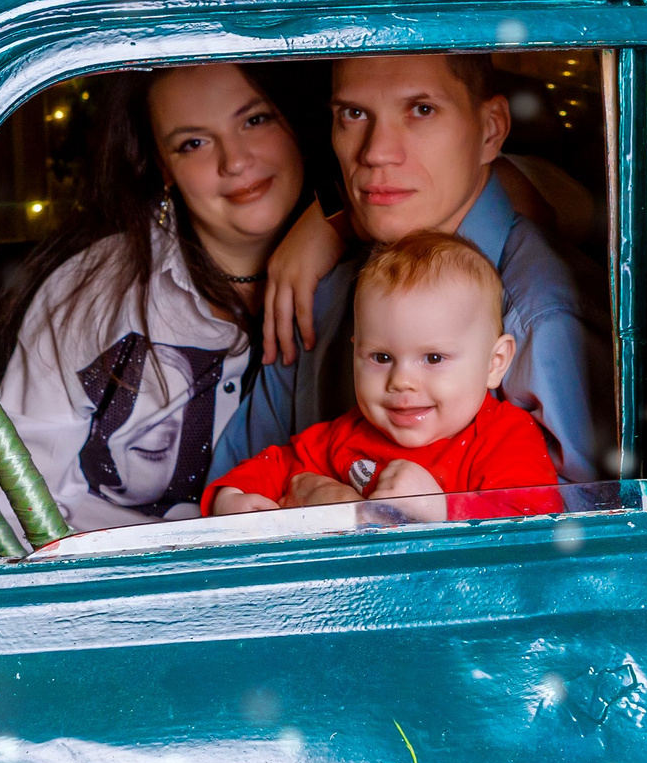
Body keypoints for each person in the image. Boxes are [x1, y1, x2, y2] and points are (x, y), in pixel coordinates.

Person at [226, 53, 605, 485]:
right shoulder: (314, 288)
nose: (375, 153)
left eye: (422, 110)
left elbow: (596, 523)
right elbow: (231, 490)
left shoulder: (547, 319)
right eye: (353, 114)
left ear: (491, 129)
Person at [0, 61, 311, 532]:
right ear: (164, 168)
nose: (234, 161)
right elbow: (9, 495)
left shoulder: (362, 267)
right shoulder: (97, 290)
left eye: (255, 120)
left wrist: (329, 222)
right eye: (193, 143)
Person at [205, 232, 558, 518]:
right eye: (382, 357)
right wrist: (230, 497)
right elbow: (277, 464)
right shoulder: (347, 434)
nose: (401, 381)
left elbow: (536, 527)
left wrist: (442, 510)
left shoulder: (505, 438)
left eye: (433, 358)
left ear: (495, 362)